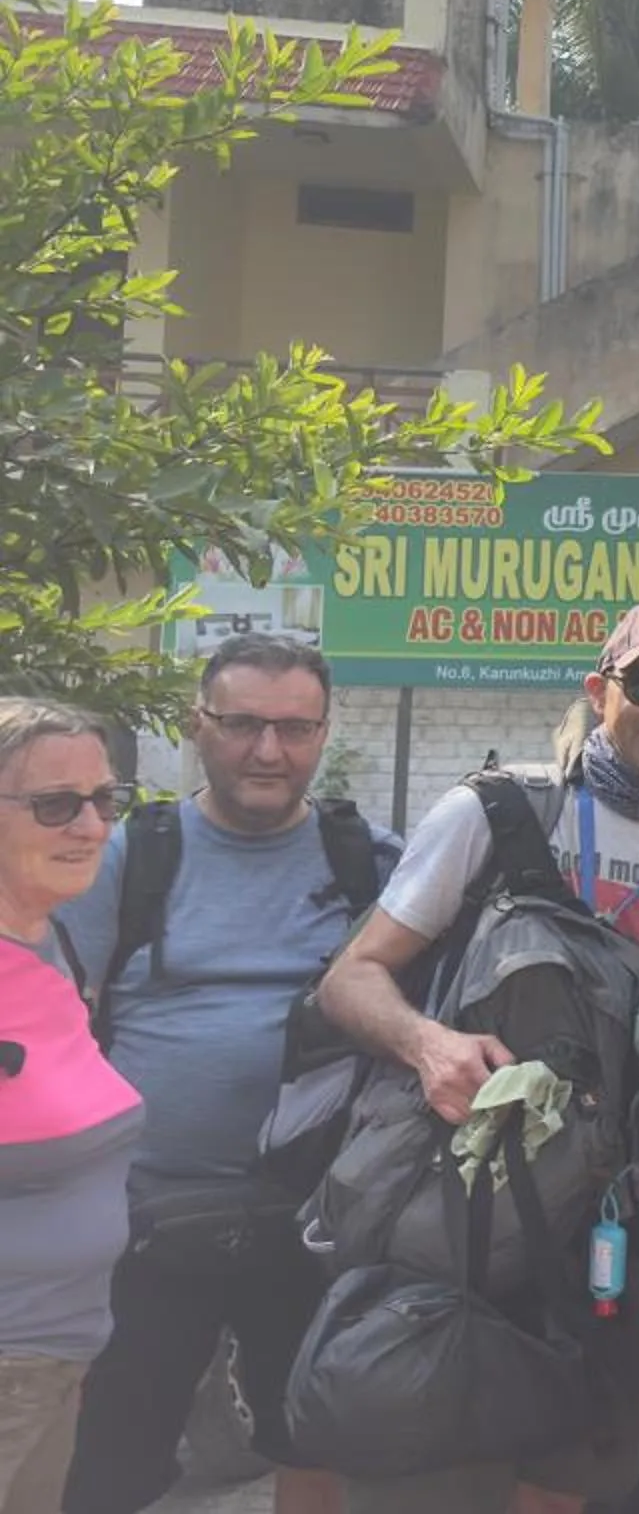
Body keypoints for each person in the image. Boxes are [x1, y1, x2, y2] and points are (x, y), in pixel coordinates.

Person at [316, 603, 639, 1514]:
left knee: (572, 1469)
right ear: (599, 689)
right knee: (413, 1462)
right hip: (465, 1202)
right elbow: (350, 979)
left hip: (617, 1217)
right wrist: (428, 1043)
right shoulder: (499, 808)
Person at [54, 637, 401, 1514]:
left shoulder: (372, 861)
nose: (267, 750)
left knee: (315, 1436)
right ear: (195, 726)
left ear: (323, 733)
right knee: (112, 1456)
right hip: (144, 1218)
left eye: (294, 727)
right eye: (242, 723)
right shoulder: (130, 854)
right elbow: (57, 1018)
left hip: (317, 1215)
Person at [0, 700, 140, 1514]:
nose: (90, 825)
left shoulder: (50, 940)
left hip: (53, 1362)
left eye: (104, 800)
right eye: (56, 804)